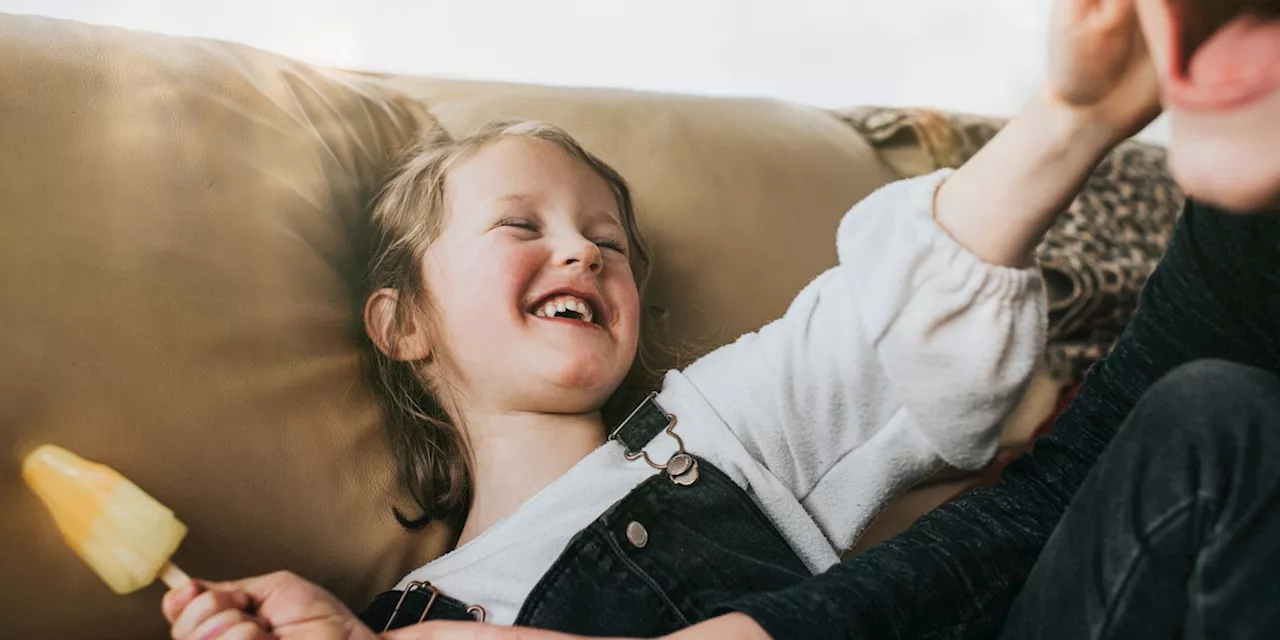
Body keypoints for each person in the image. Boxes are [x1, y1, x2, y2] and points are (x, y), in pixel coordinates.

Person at [165, 0, 1280, 636]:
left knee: (1209, 415)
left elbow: (887, 317)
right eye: (521, 225)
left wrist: (1072, 115)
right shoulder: (413, 616)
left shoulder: (712, 432)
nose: (580, 249)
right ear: (401, 321)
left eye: (607, 239)